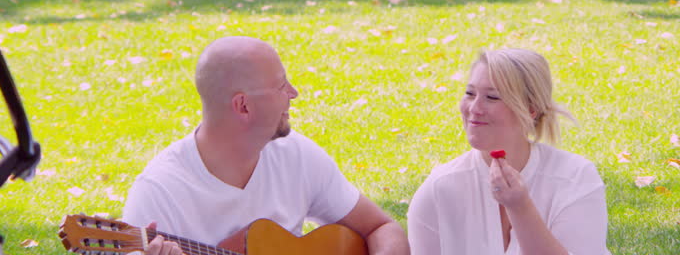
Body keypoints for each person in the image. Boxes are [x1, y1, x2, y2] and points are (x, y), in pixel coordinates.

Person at [123, 36, 409, 255]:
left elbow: (381, 227)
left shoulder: (296, 155)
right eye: (281, 86)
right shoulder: (158, 193)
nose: (293, 94)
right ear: (243, 106)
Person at [407, 48, 611, 255]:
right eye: (470, 94)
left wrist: (520, 207)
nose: (474, 108)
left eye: (492, 97)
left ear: (531, 109)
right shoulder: (440, 189)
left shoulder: (575, 178)